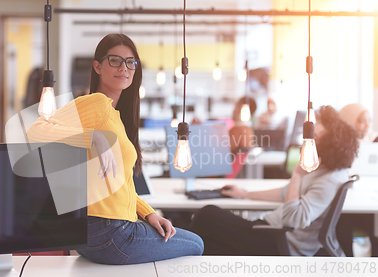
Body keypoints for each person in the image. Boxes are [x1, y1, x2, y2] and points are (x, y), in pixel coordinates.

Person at [26, 33, 203, 265]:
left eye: (131, 62)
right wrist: (94, 138)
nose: (124, 68)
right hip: (110, 232)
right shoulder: (94, 103)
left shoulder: (114, 115)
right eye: (115, 60)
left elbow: (121, 184)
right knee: (196, 244)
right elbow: (34, 132)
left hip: (98, 234)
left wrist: (148, 213)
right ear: (97, 66)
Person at [189, 105, 359, 256]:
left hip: (278, 240)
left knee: (207, 215)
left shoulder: (329, 180)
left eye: (317, 137)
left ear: (332, 145)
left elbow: (293, 219)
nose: (311, 140)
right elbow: (283, 194)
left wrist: (298, 175)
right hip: (271, 230)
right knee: (209, 241)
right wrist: (244, 194)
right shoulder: (325, 170)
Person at [337, 103, 378, 257]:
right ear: (348, 121)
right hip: (346, 206)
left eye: (369, 120)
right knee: (342, 225)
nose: (367, 125)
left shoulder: (372, 142)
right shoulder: (336, 147)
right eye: (361, 121)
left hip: (369, 202)